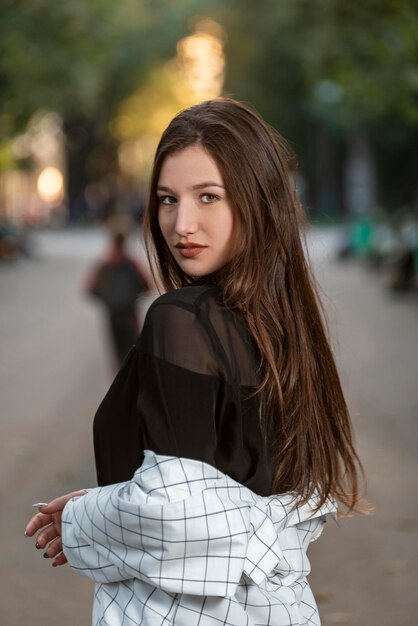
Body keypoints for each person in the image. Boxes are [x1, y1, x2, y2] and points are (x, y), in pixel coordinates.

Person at [25, 98, 363, 626]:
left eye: (208, 196)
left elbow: (177, 514)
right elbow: (227, 494)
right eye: (166, 199)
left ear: (257, 201)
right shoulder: (285, 327)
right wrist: (120, 501)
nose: (181, 223)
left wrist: (86, 519)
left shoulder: (182, 320)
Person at [85, 230, 151, 366]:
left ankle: (121, 380)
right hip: (130, 312)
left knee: (118, 351)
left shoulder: (104, 264)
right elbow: (146, 285)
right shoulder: (132, 263)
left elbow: (91, 289)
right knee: (133, 350)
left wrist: (107, 300)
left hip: (112, 313)